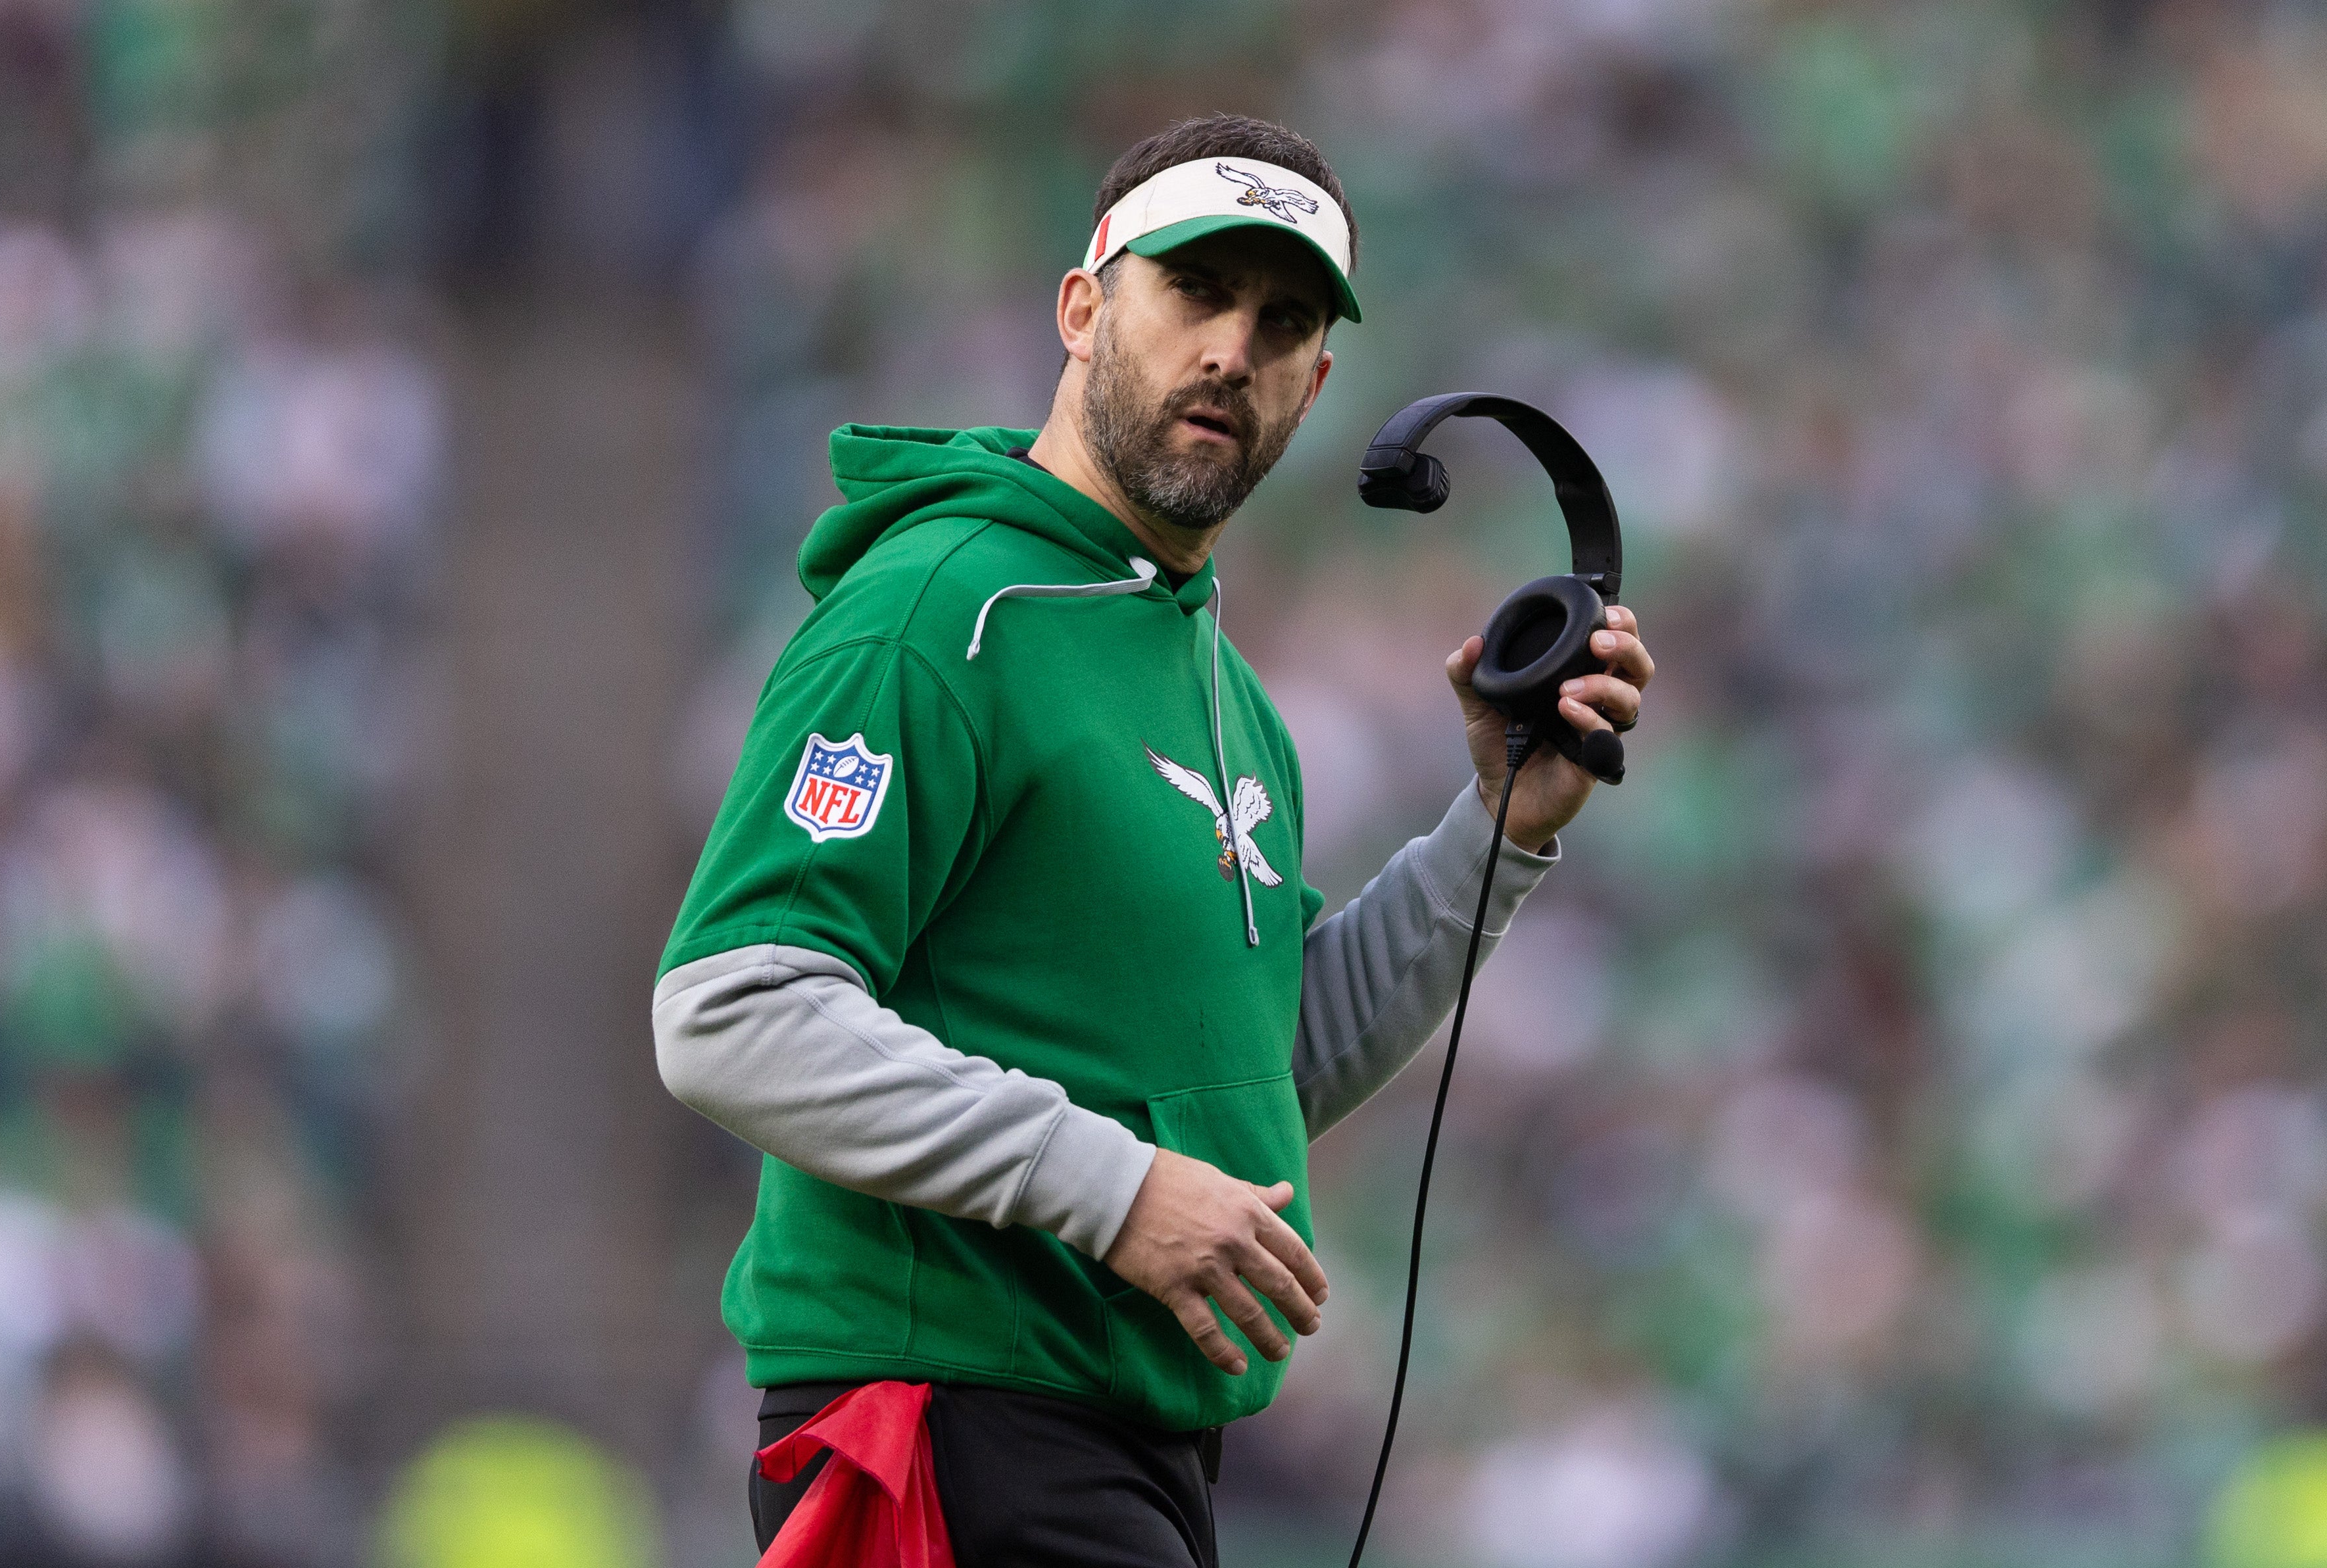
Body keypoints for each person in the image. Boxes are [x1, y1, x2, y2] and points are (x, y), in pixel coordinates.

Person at [654, 113, 1655, 1567]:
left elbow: (1253, 1072)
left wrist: (1492, 836)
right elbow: (731, 1008)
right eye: (1195, 291)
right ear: (1082, 310)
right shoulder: (939, 612)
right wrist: (1113, 1185)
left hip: (1124, 1445)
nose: (1232, 350)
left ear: (1318, 386)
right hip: (946, 1425)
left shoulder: (1229, 692)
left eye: (1284, 323)